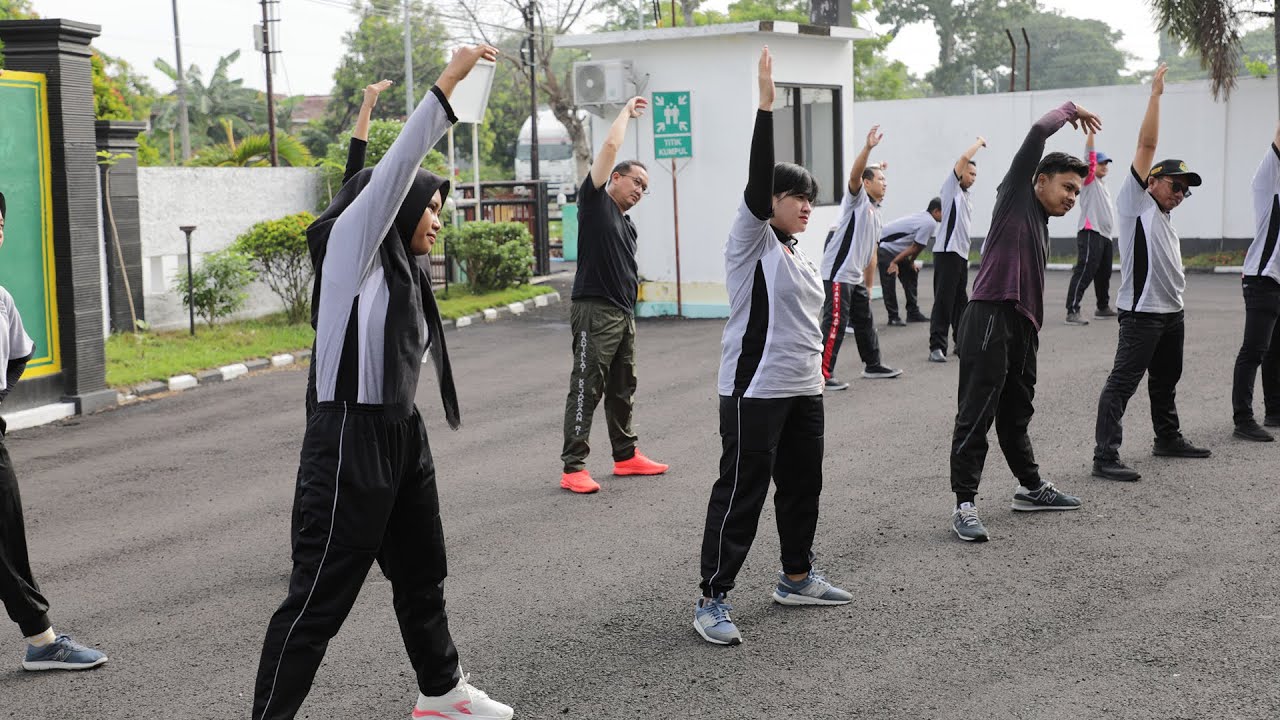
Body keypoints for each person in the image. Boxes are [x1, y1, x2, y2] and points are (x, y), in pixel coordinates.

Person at [252, 46, 514, 720]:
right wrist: (448, 87)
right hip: (349, 439)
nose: (436, 217)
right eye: (429, 205)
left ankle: (442, 692)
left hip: (400, 432)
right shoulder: (354, 257)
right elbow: (387, 174)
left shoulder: (401, 270)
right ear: (395, 209)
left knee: (423, 571)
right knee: (317, 599)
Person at [693, 47, 852, 647]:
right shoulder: (752, 241)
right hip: (753, 390)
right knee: (741, 491)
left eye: (811, 197)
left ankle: (796, 578)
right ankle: (712, 598)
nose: (807, 205)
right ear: (771, 203)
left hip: (801, 388)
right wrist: (767, 108)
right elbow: (758, 183)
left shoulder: (795, 252)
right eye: (797, 196)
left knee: (803, 486)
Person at [947, 102, 1101, 543]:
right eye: (1066, 188)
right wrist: (1070, 112)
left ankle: (1030, 488)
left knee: (1017, 413)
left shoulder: (1040, 221)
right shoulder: (1015, 193)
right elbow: (1037, 132)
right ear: (1039, 180)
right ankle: (964, 505)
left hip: (1023, 325)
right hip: (991, 314)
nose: (1071, 198)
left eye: (1077, 192)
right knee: (976, 413)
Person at [0, 191, 108, 672]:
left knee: (6, 537)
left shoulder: (1, 301)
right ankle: (42, 642)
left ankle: (42, 642)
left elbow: (20, 355)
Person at [1091, 65, 1212, 482]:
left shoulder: (1163, 216)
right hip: (1142, 315)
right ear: (1153, 181)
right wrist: (1156, 95)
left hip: (1171, 313)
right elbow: (1147, 142)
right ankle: (1105, 455)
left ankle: (1167, 438)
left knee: (1166, 380)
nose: (1180, 194)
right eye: (1174, 185)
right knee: (1123, 382)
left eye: (1186, 190)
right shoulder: (1135, 204)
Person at [559, 96, 669, 494]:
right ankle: (574, 466)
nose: (640, 190)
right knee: (587, 386)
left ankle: (625, 456)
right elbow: (608, 148)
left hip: (623, 315)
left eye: (645, 187)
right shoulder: (594, 203)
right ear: (616, 178)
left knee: (623, 387)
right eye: (636, 181)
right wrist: (624, 112)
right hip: (594, 311)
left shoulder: (628, 225)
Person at [818, 131, 902, 389]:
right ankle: (820, 375)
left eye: (886, 180)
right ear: (866, 184)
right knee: (835, 323)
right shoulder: (856, 201)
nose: (885, 183)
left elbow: (872, 255)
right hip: (838, 273)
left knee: (865, 321)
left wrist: (867, 285)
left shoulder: (876, 214)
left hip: (854, 277)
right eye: (880, 179)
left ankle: (873, 364)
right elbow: (855, 175)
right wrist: (868, 149)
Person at [1231, 122, 1280, 442]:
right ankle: (1243, 419)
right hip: (1263, 279)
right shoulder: (1269, 181)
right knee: (1254, 350)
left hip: (1277, 280)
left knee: (1275, 349)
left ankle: (1274, 411)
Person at [928, 138, 985, 363]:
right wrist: (979, 143)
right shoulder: (950, 190)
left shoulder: (966, 197)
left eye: (975, 175)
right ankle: (936, 346)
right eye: (970, 173)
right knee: (944, 300)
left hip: (960, 255)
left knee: (961, 302)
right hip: (946, 253)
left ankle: (961, 343)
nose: (972, 178)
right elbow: (962, 159)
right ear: (960, 174)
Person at [1065, 130, 1118, 325]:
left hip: (1105, 236)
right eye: (1101, 163)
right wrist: (1091, 134)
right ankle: (1072, 310)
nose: (1104, 166)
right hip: (1090, 232)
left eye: (1106, 164)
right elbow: (1089, 157)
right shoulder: (1088, 180)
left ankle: (1102, 307)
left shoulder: (1103, 186)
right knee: (1085, 270)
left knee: (1104, 274)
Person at [879, 197, 941, 326]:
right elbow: (915, 247)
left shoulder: (926, 217)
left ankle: (912, 312)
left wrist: (911, 262)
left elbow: (918, 246)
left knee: (911, 273)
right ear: (936, 211)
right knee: (889, 279)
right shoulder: (930, 222)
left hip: (897, 250)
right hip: (885, 247)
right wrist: (894, 263)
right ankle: (893, 316)